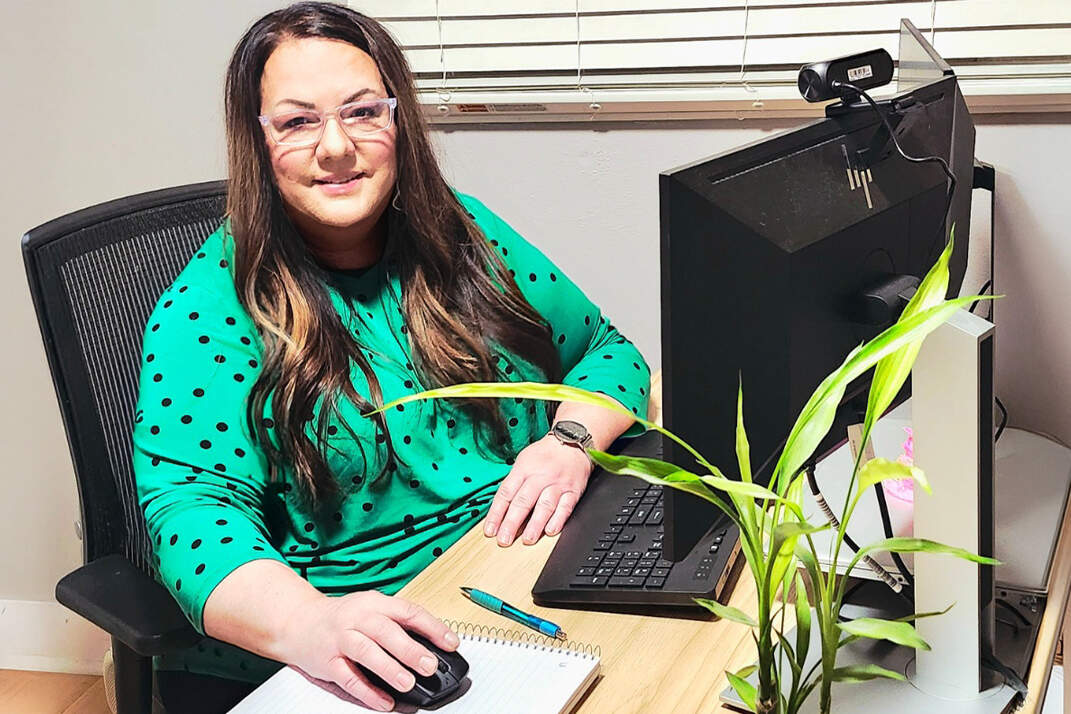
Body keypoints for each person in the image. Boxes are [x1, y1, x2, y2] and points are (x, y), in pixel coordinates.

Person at [133, 3, 651, 711]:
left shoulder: (462, 233)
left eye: (362, 112)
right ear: (255, 141)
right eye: (297, 122)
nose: (337, 146)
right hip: (350, 642)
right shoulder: (209, 309)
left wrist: (568, 443)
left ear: (397, 119)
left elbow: (604, 350)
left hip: (504, 575)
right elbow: (191, 521)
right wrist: (312, 624)